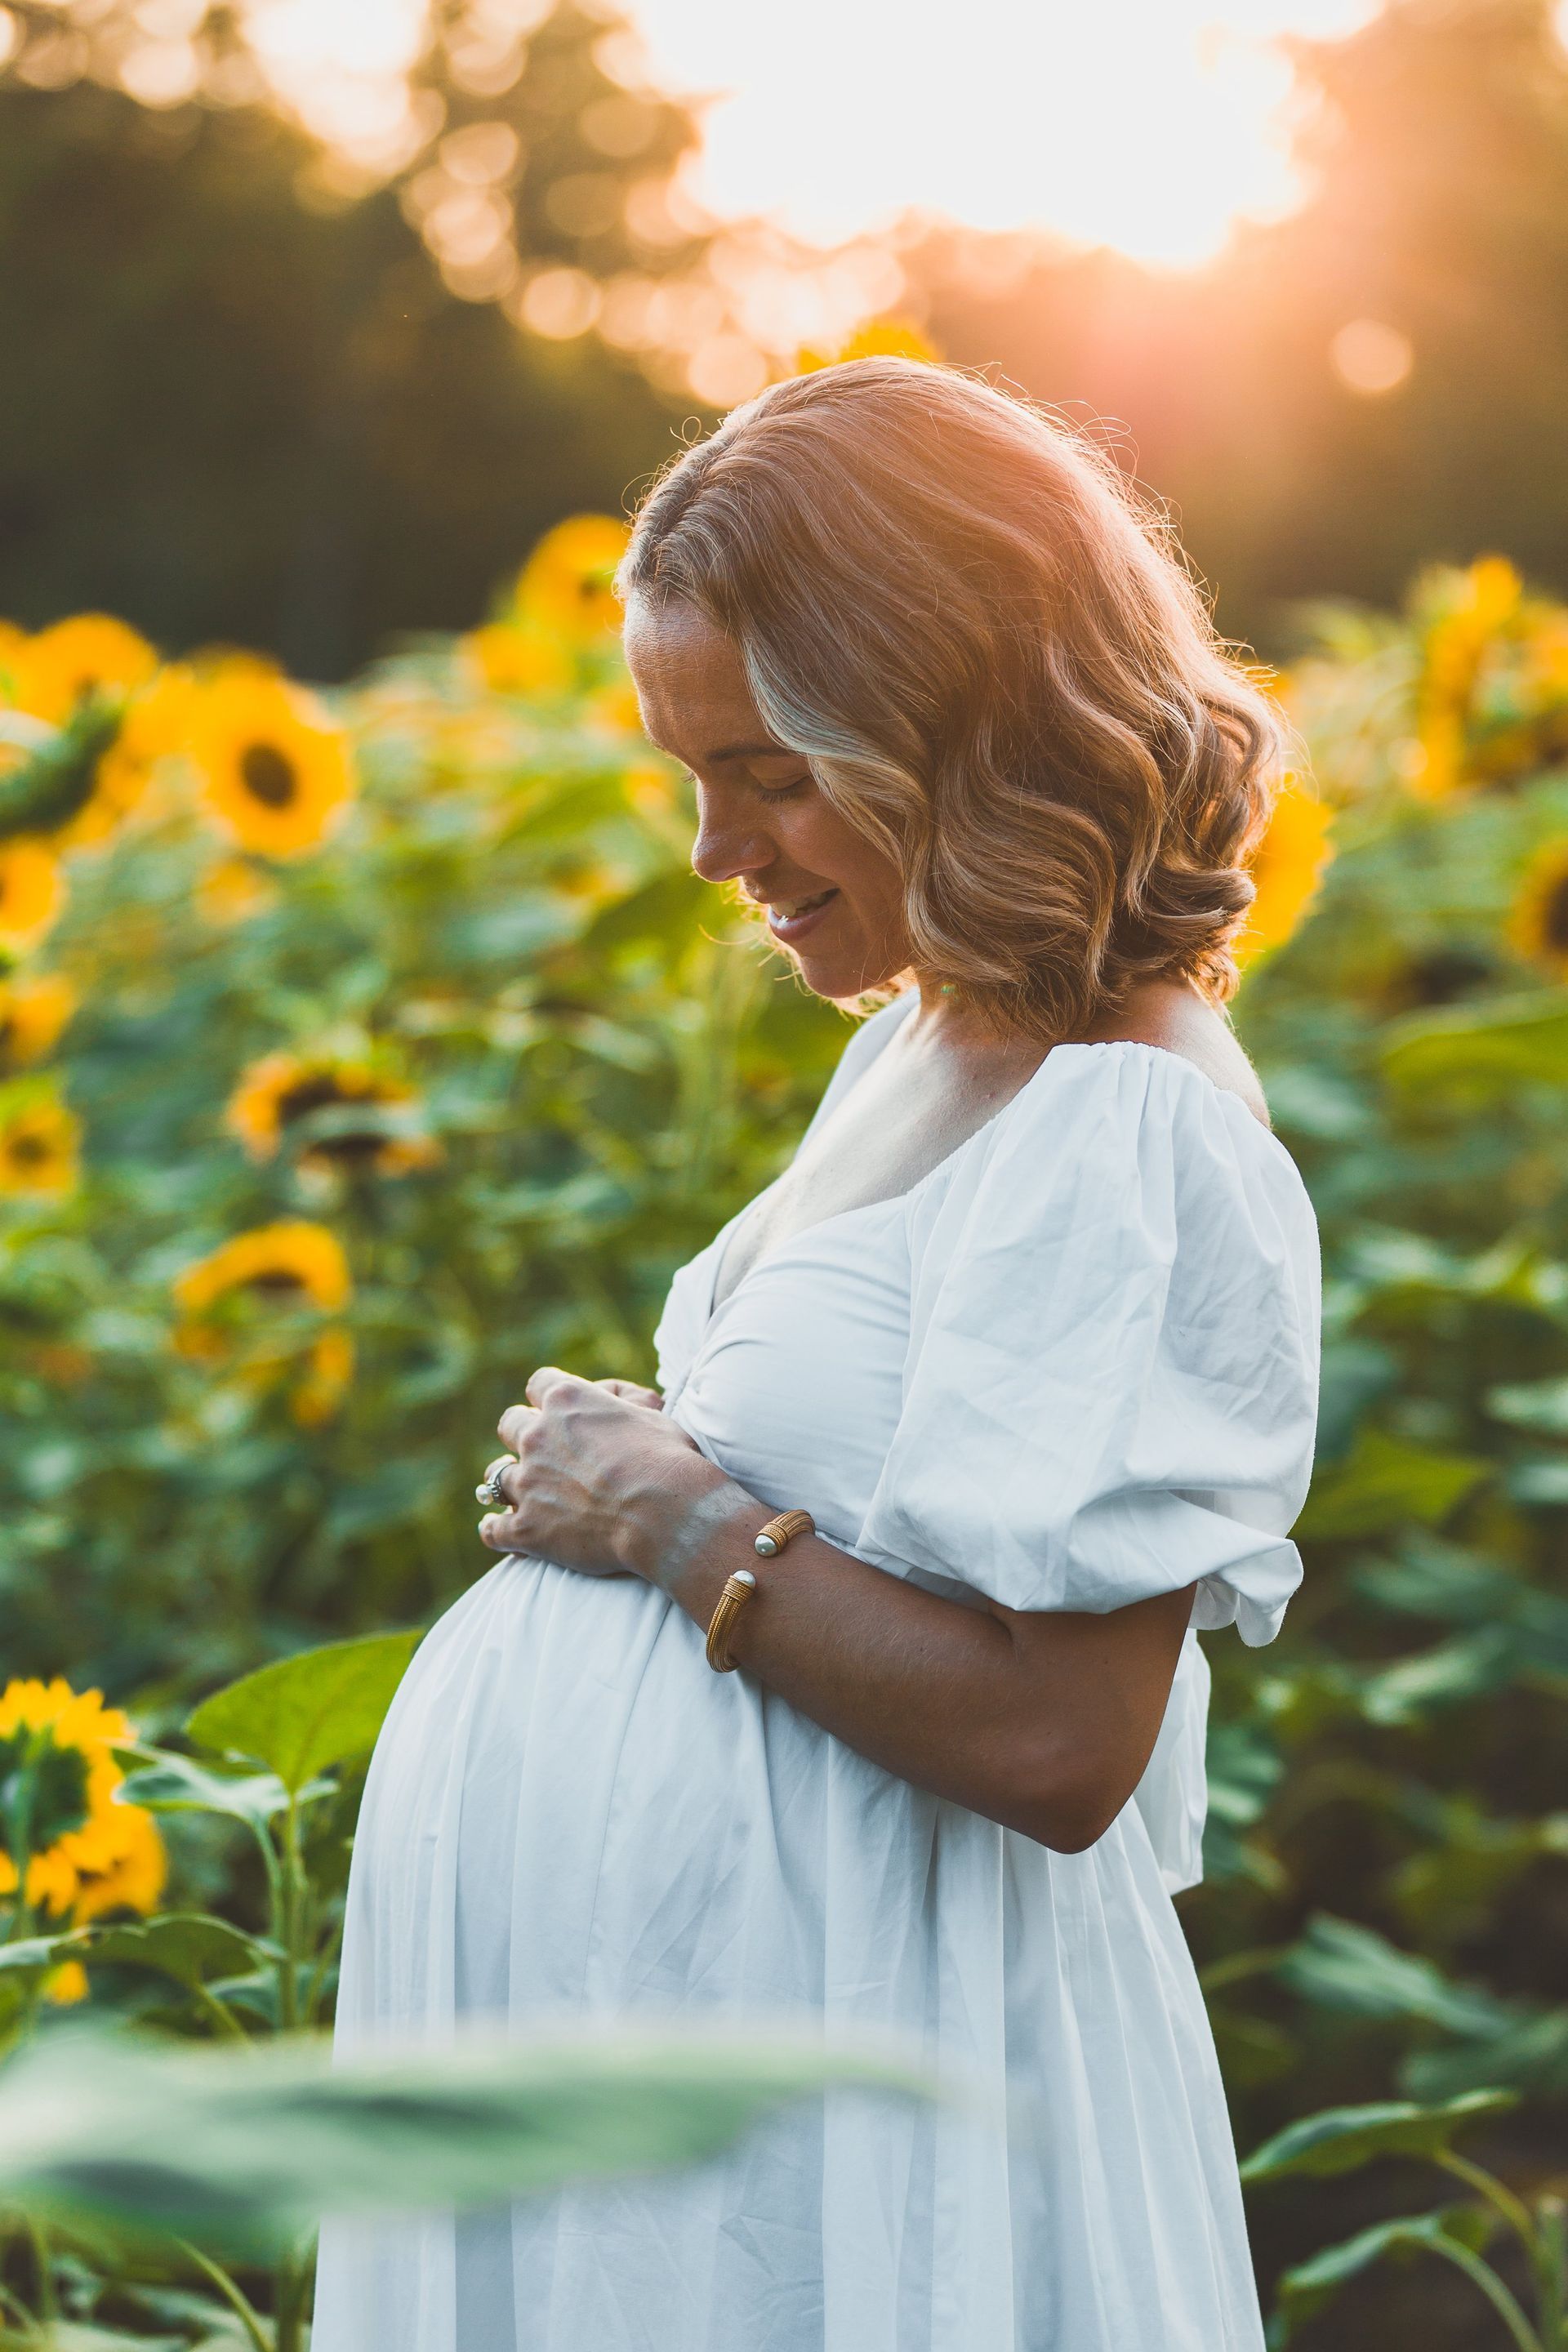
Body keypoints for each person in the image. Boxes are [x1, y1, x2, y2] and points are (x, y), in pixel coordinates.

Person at [314, 359, 1321, 2352]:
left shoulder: (1133, 1121)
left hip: (874, 2083)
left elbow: (1061, 1747)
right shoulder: (923, 1041)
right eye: (691, 774)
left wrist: (677, 1522)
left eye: (772, 770)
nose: (717, 850)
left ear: (973, 723)